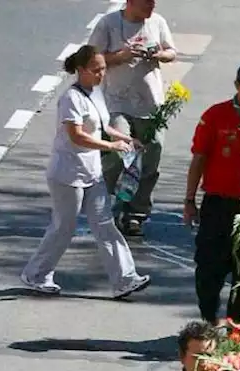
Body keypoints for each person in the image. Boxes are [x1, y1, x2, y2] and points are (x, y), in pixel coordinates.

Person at [20, 45, 152, 299]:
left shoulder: (96, 93)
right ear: (81, 70)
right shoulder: (71, 98)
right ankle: (36, 274)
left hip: (92, 173)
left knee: (105, 226)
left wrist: (126, 138)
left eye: (103, 69)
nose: (101, 74)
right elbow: (77, 135)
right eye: (95, 70)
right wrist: (111, 146)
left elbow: (102, 127)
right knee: (63, 227)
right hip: (67, 174)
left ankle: (125, 280)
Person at [185, 61, 240, 325]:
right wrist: (190, 200)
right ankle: (209, 318)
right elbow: (199, 158)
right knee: (209, 265)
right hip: (219, 203)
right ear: (238, 86)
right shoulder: (215, 116)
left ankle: (237, 325)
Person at [89, 0, 177, 237]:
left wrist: (159, 54)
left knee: (152, 153)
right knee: (119, 152)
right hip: (117, 102)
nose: (151, 7)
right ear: (130, 2)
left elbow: (171, 52)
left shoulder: (157, 22)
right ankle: (104, 206)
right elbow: (91, 59)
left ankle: (135, 214)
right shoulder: (109, 24)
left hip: (151, 102)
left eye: (153, 3)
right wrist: (121, 56)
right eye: (146, 3)